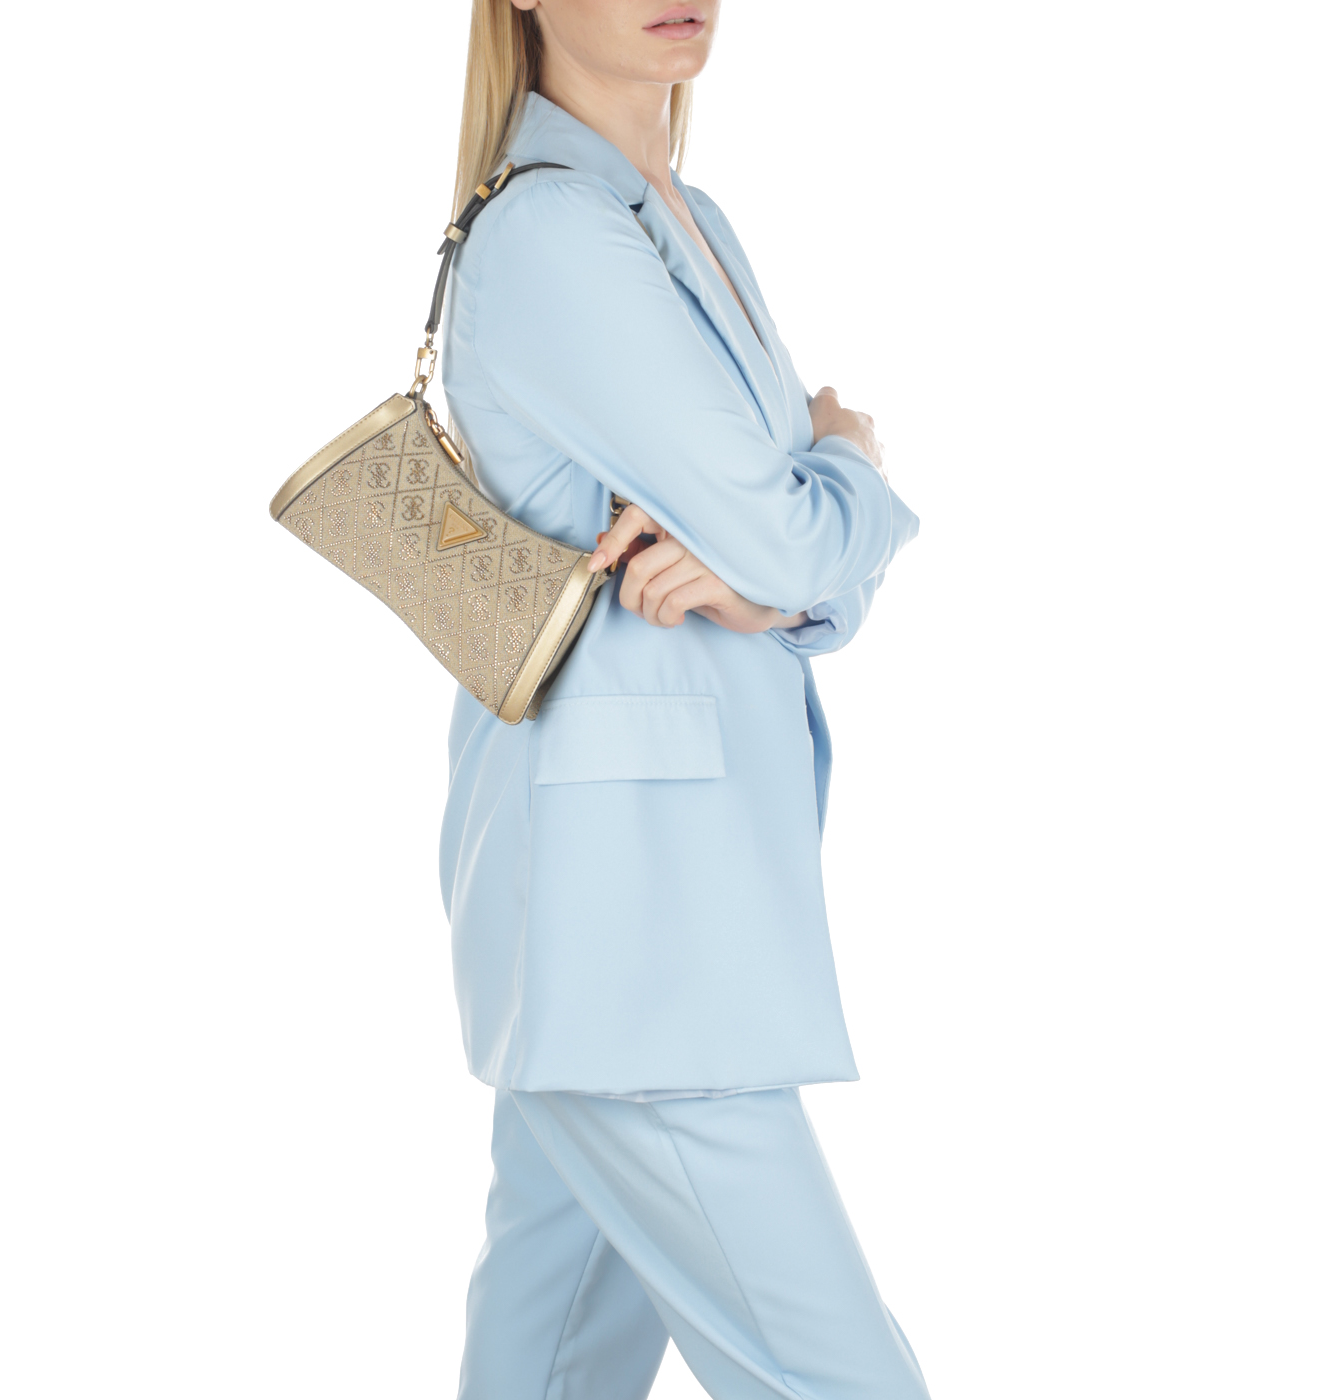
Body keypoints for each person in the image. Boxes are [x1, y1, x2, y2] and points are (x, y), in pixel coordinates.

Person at [438, 4, 927, 1397]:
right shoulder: (553, 234)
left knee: (546, 1364)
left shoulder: (684, 218)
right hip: (634, 929)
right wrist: (852, 462)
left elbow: (779, 563)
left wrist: (778, 581)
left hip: (641, 911)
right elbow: (789, 530)